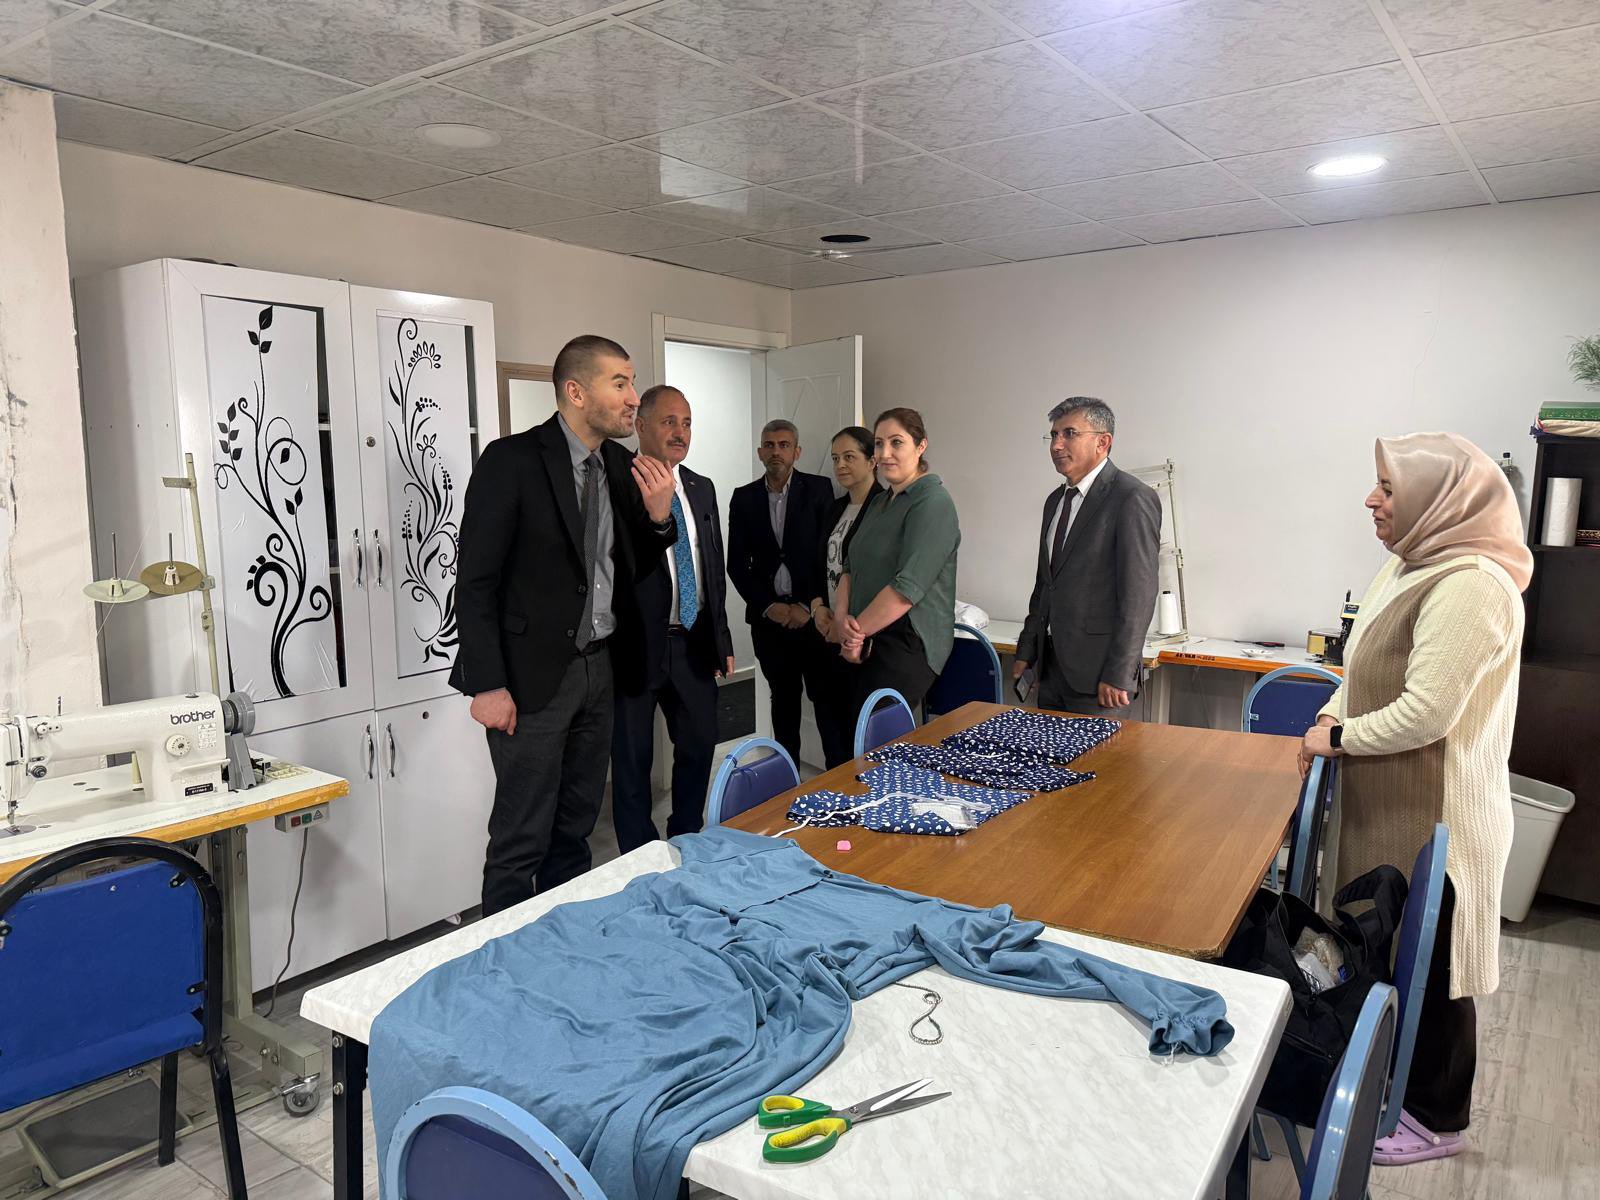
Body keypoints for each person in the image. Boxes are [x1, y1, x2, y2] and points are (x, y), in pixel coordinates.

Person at [1300, 432, 1530, 1166]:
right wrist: (1332, 713)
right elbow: (1366, 673)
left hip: (1439, 818)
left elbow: (1427, 711)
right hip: (1394, 810)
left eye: (1389, 488)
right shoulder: (1409, 565)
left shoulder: (1471, 584)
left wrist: (1337, 740)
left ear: (1440, 499)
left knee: (1435, 973)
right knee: (1396, 957)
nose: (1371, 500)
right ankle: (1389, 1085)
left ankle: (1436, 1119)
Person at [450, 335, 676, 916]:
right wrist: (487, 684)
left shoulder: (621, 466)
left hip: (599, 669)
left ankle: (560, 942)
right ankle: (502, 953)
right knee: (521, 835)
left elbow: (633, 569)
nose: (634, 398)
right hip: (529, 680)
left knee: (575, 828)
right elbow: (474, 583)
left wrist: (658, 519)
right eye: (620, 383)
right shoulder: (511, 461)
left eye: (631, 383)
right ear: (576, 392)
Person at [610, 385, 735, 854]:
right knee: (632, 757)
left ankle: (686, 838)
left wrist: (721, 638)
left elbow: (712, 568)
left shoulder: (701, 487)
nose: (680, 432)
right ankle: (640, 856)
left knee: (700, 744)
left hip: (692, 641)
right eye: (669, 422)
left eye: (686, 423)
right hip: (634, 644)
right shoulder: (615, 482)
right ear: (640, 426)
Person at [1013, 397, 1160, 718]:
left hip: (1100, 677)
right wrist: (1027, 650)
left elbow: (1139, 595)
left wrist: (1120, 673)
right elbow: (1045, 585)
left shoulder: (1132, 497)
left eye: (1069, 433)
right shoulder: (1055, 501)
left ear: (1102, 442)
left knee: (1099, 753)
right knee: (1048, 750)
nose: (1056, 445)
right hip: (1050, 670)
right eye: (1053, 435)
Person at [833, 408, 960, 714]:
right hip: (864, 636)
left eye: (896, 442)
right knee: (852, 732)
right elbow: (849, 565)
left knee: (876, 737)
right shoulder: (880, 501)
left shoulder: (933, 502)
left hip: (906, 641)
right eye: (879, 443)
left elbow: (907, 588)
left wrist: (853, 635)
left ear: (921, 445)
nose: (885, 453)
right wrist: (841, 618)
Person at [727, 419, 834, 767]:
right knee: (783, 702)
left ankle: (838, 777)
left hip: (814, 619)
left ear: (796, 452)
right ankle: (787, 780)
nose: (776, 452)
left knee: (825, 701)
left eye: (784, 445)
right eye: (770, 445)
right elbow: (736, 564)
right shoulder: (743, 498)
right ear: (760, 452)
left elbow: (828, 555)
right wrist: (767, 606)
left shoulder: (819, 490)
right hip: (769, 624)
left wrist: (807, 604)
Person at [808, 426, 883, 767]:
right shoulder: (834, 508)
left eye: (849, 457)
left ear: (872, 460)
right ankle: (833, 787)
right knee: (829, 723)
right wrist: (817, 607)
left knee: (860, 731)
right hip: (825, 632)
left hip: (860, 634)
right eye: (836, 458)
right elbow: (815, 563)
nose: (840, 465)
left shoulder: (885, 508)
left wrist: (847, 624)